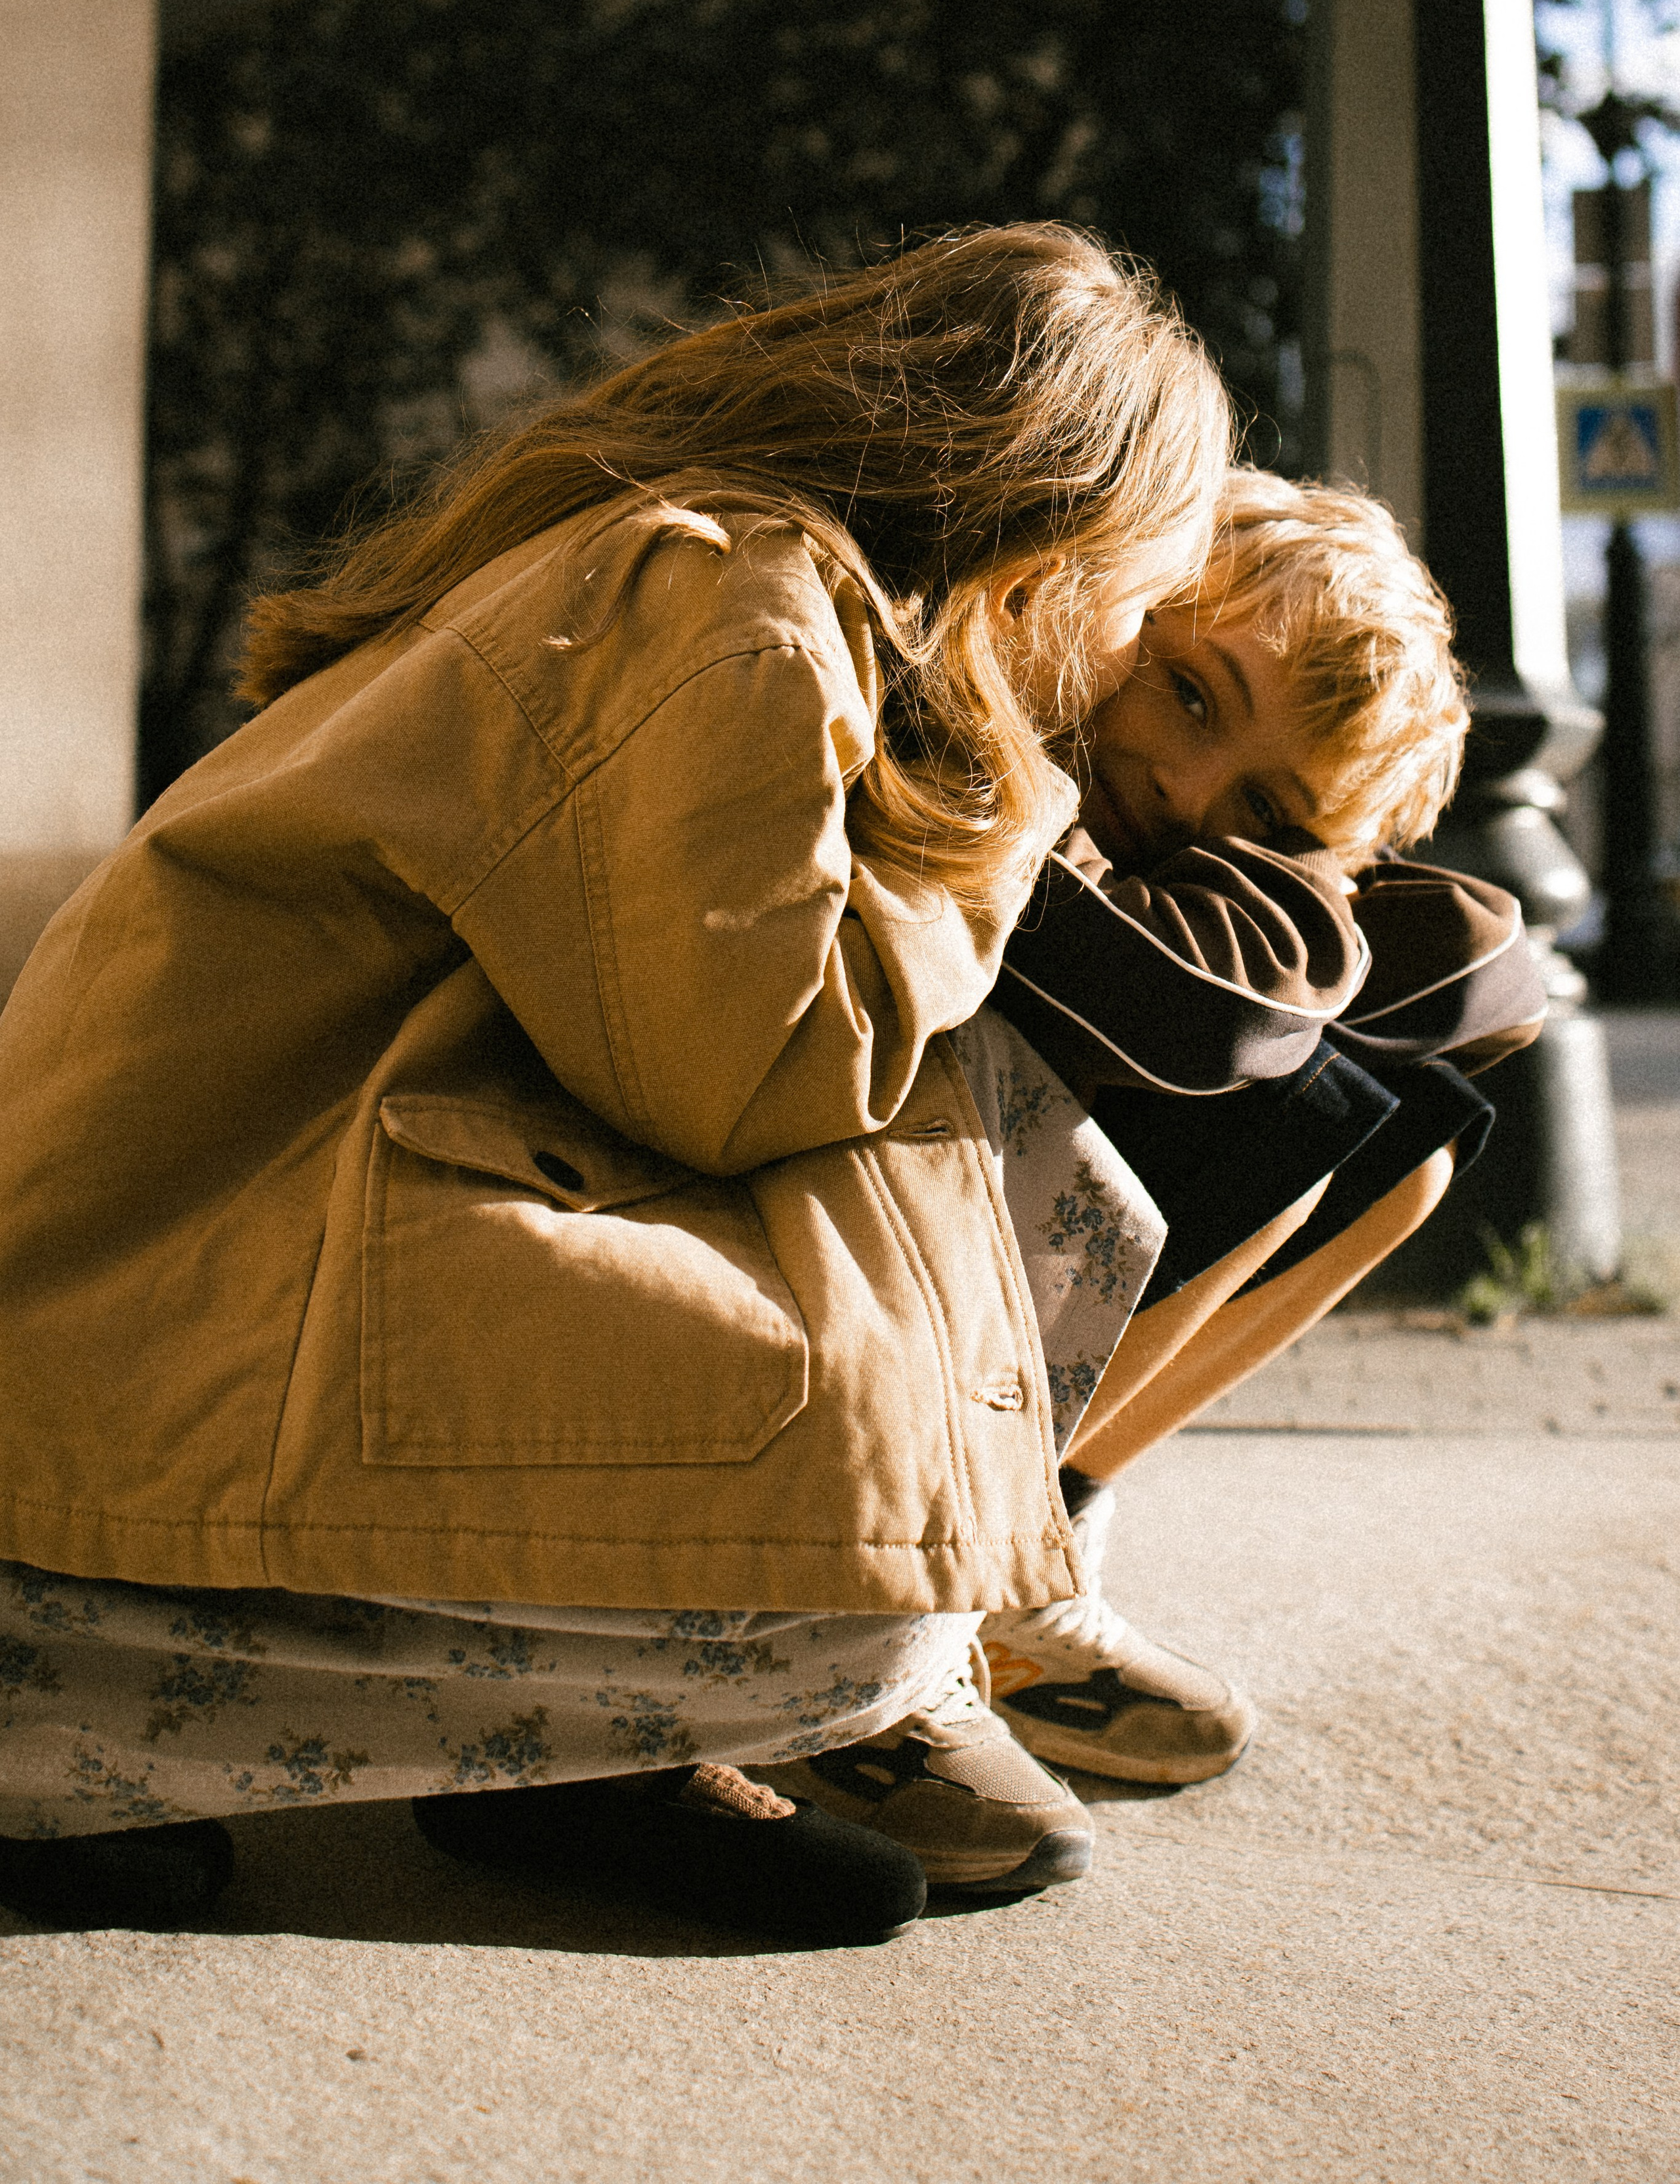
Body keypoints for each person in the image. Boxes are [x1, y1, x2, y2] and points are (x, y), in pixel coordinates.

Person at [0, 226, 1232, 1941]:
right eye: (1146, 606)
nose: (1122, 661)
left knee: (970, 1310)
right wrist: (1010, 813)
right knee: (873, 1554)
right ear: (1048, 545)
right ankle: (89, 1729)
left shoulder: (723, 575)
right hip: (169, 1285)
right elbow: (751, 1076)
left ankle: (558, 1763)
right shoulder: (726, 602)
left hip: (209, 1245)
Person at [767, 473, 1545, 1868]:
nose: (1187, 793)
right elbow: (1198, 1007)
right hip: (812, 1200)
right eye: (1188, 693)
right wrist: (1304, 888)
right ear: (1116, 603)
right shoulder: (994, 730)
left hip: (943, 1219)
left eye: (1264, 806)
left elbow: (1490, 972)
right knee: (1297, 1107)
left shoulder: (1160, 837)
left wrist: (1321, 873)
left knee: (1403, 1151)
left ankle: (1019, 1565)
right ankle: (879, 1620)